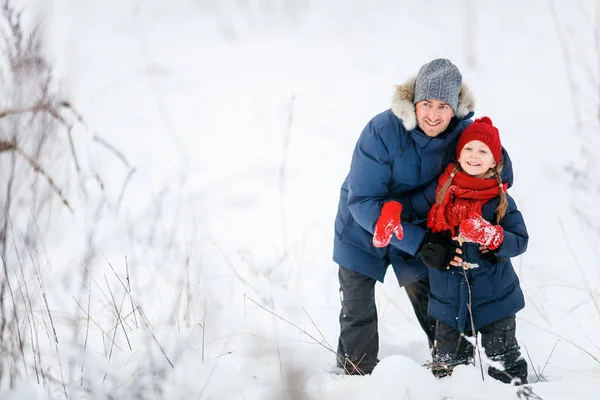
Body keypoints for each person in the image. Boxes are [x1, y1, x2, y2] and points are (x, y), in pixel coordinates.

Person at [333, 58, 513, 375]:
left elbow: (498, 166)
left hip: (422, 227)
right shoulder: (382, 130)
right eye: (426, 103)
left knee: (437, 303)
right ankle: (354, 378)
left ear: (456, 107)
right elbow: (362, 199)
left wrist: (484, 164)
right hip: (363, 226)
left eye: (443, 106)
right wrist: (421, 243)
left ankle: (452, 371)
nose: (433, 115)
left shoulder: (465, 134)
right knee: (356, 310)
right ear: (413, 101)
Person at [419, 116, 528, 384]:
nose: (474, 155)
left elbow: (520, 240)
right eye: (468, 148)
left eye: (483, 151)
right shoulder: (443, 192)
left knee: (503, 363)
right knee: (447, 369)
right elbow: (426, 231)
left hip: (495, 297)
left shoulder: (500, 198)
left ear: (494, 161)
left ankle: (511, 390)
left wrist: (495, 237)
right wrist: (432, 249)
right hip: (448, 297)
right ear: (459, 154)